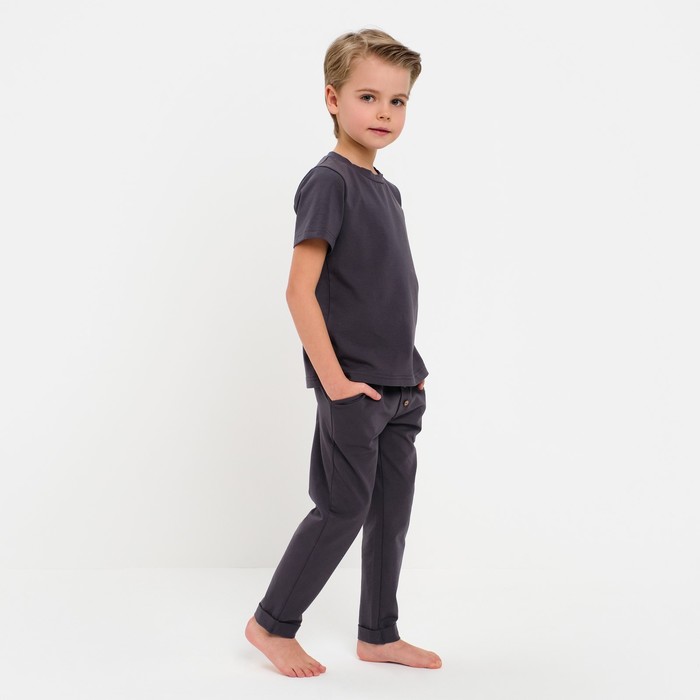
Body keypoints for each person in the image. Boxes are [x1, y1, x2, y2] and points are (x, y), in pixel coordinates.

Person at [245, 27, 442, 678]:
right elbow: (299, 290)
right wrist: (334, 382)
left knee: (389, 515)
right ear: (333, 99)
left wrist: (411, 373)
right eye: (368, 97)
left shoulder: (385, 189)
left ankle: (379, 634)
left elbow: (383, 290)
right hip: (354, 387)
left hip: (400, 387)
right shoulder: (328, 182)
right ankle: (272, 624)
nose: (384, 112)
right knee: (342, 509)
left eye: (398, 101)